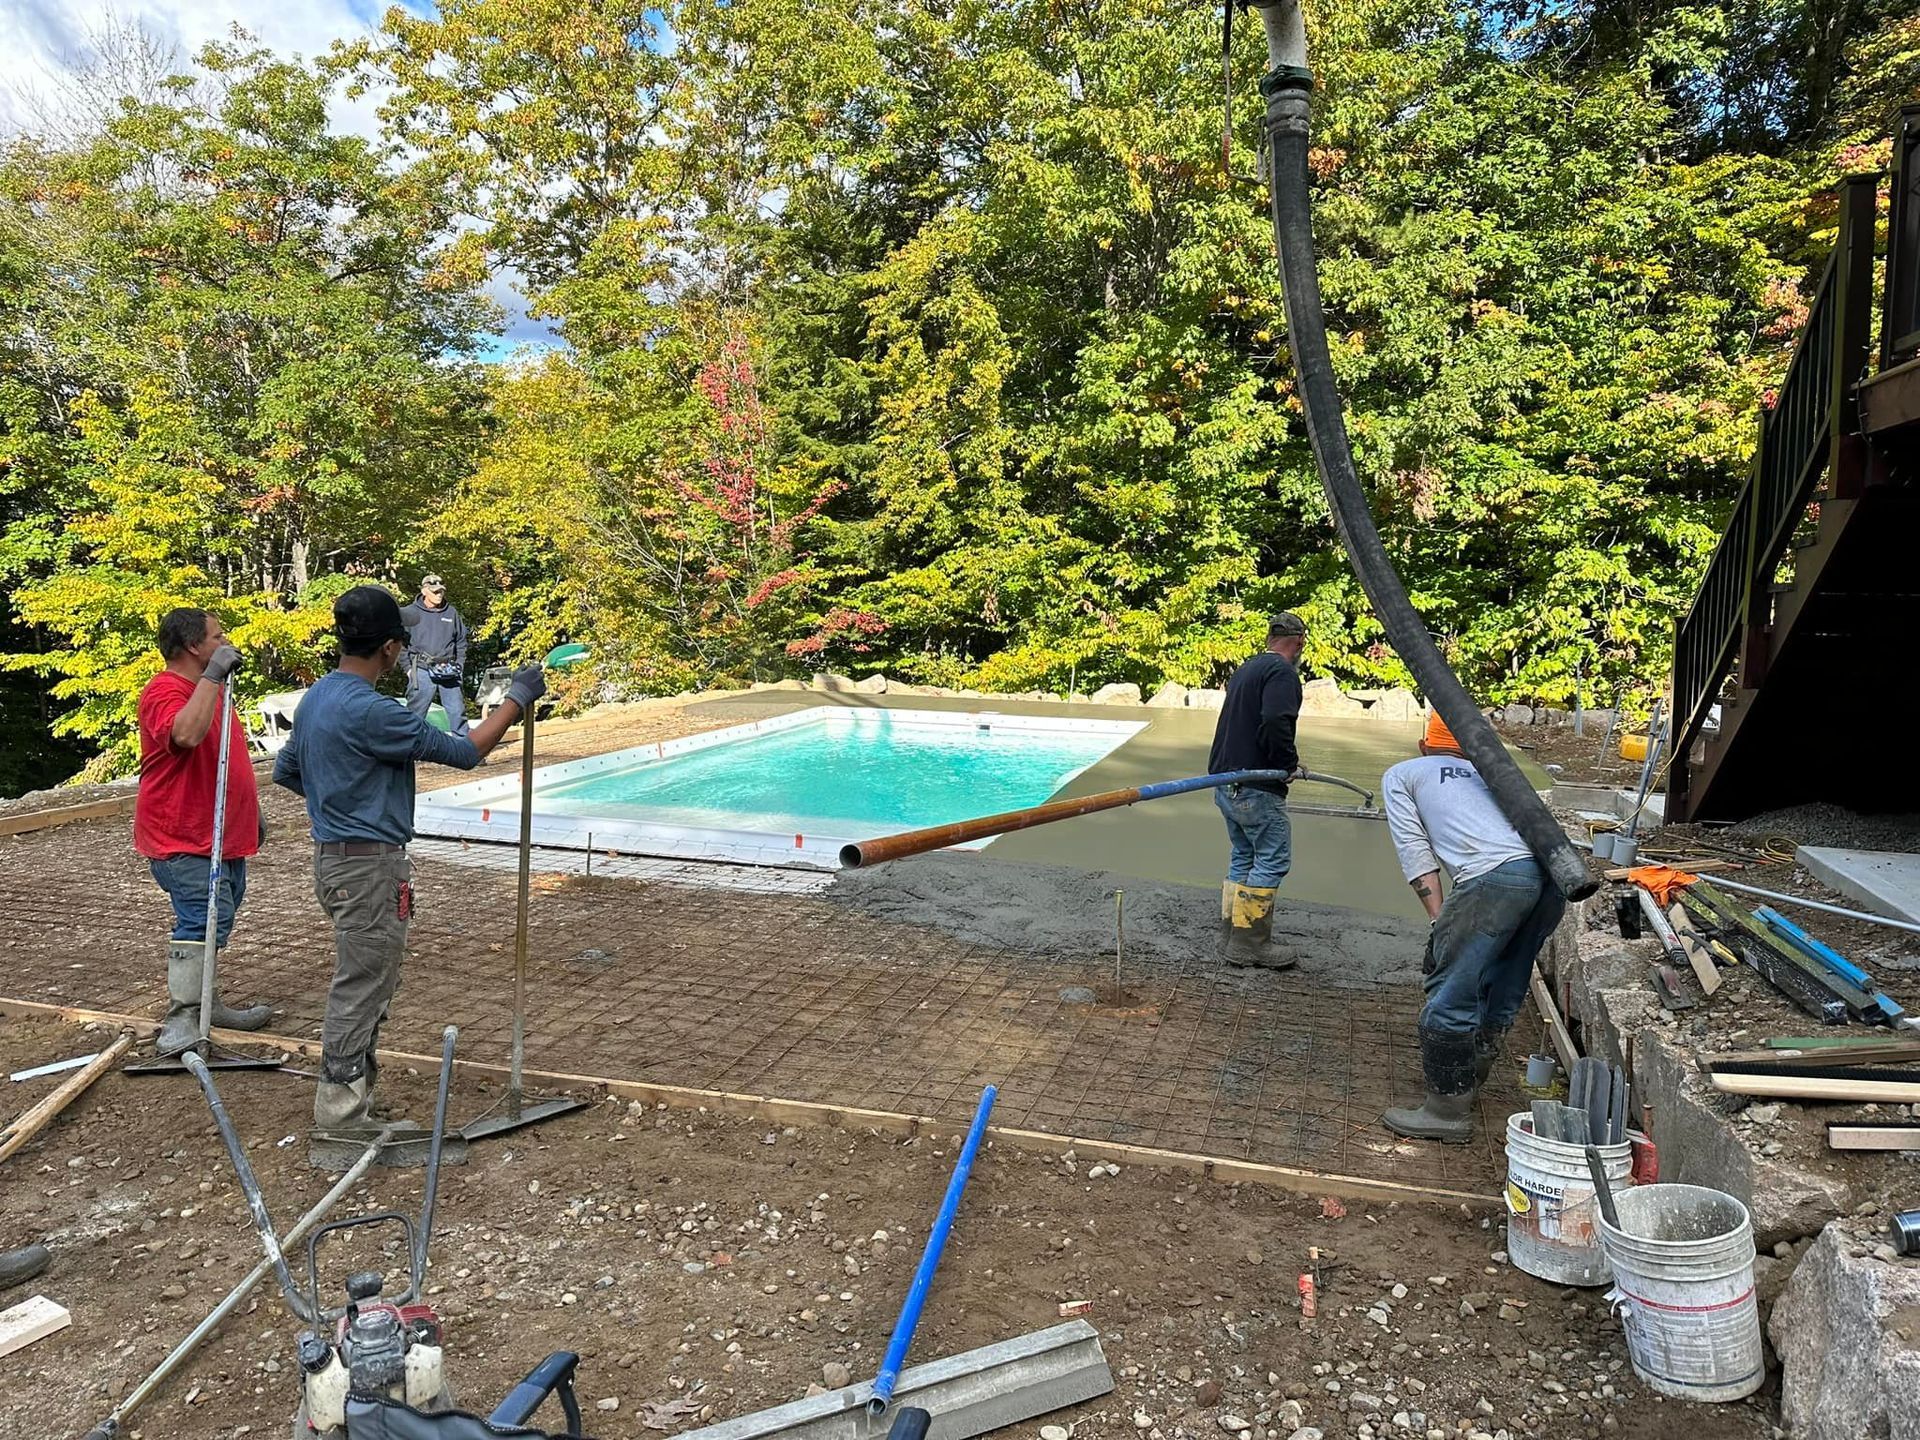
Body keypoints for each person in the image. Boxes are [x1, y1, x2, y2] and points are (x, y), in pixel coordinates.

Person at [274, 585, 545, 1136]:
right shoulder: (374, 713)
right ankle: (341, 1120)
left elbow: (288, 773)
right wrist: (517, 697)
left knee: (368, 980)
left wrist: (343, 798)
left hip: (334, 863)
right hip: (369, 870)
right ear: (392, 649)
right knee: (362, 986)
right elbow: (467, 752)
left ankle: (355, 1100)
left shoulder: (317, 698)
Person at [1380, 711, 1563, 1143]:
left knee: (1450, 988)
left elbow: (1417, 855)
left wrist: (1439, 923)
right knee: (1506, 980)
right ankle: (1469, 1077)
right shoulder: (1492, 774)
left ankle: (1446, 1111)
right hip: (1552, 877)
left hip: (1496, 878)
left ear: (1425, 745)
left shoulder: (1404, 773)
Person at [134, 608, 274, 1054]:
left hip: (219, 834)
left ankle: (205, 1003)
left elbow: (223, 756)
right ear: (194, 647)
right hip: (183, 837)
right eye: (218, 637)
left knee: (220, 918)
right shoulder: (165, 690)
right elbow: (187, 736)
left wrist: (249, 812)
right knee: (199, 921)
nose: (226, 642)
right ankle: (181, 1020)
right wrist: (213, 677)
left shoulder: (212, 690)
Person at [1207, 612, 1308, 967]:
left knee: (1243, 855)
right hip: (1256, 784)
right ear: (1298, 642)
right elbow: (1277, 720)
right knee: (1271, 857)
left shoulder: (1247, 668)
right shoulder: (1282, 672)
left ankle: (1230, 934)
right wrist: (1288, 765)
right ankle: (1250, 943)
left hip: (1225, 780)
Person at [400, 574, 471, 738]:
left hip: (449, 669)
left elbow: (461, 641)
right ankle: (407, 750)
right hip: (422, 669)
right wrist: (408, 669)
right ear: (424, 591)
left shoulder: (451, 612)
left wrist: (459, 665)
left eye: (441, 591)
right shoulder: (410, 612)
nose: (439, 594)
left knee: (457, 711)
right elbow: (400, 643)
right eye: (435, 591)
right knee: (415, 713)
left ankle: (464, 748)